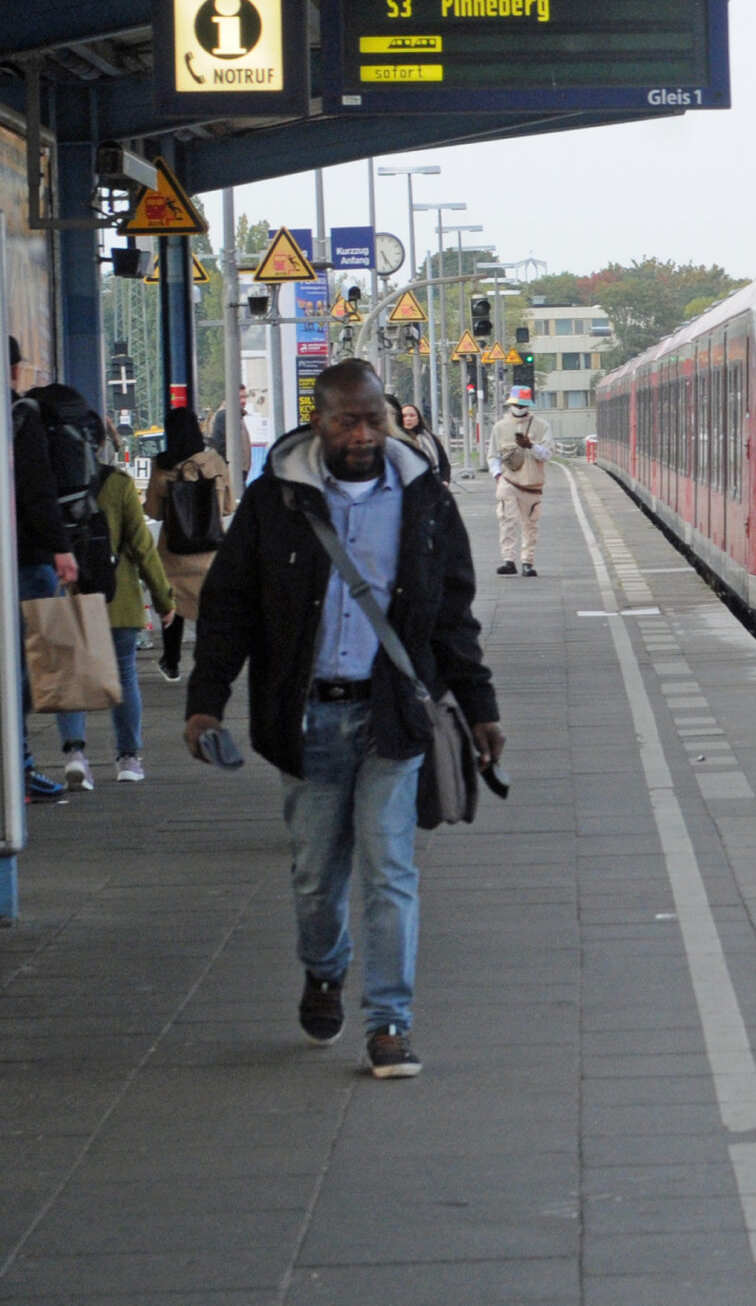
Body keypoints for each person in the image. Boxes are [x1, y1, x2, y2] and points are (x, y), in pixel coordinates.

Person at [185, 360, 504, 1079]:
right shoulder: (276, 501)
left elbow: (452, 615)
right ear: (319, 421)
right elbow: (230, 606)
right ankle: (324, 969)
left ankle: (389, 1022)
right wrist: (206, 700)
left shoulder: (426, 499)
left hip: (392, 715)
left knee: (390, 869)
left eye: (373, 420)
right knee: (314, 874)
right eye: (346, 421)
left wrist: (481, 708)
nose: (361, 435)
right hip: (307, 717)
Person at [83, 425, 174, 782]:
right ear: (103, 443)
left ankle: (75, 753)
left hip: (71, 598)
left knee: (69, 673)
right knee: (124, 674)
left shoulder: (51, 486)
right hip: (116, 596)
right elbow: (142, 547)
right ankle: (128, 758)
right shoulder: (118, 484)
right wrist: (163, 598)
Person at [9, 339, 77, 801]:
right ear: (14, 369)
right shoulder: (20, 416)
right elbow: (38, 489)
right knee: (24, 675)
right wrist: (61, 547)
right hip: (26, 560)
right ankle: (18, 770)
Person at [144, 405, 234, 683]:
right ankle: (207, 662)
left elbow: (154, 512)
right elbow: (228, 507)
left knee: (174, 604)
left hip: (174, 550)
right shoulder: (214, 463)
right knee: (207, 605)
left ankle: (171, 661)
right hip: (209, 552)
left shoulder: (162, 464)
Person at [488, 385, 549, 577]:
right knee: (506, 520)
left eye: (523, 404)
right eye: (516, 403)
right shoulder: (500, 427)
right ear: (510, 403)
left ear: (529, 405)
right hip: (508, 481)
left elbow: (547, 454)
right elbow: (492, 456)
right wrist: (498, 476)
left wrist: (531, 446)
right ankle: (508, 560)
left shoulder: (542, 426)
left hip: (532, 485)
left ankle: (527, 562)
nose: (519, 407)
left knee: (530, 524)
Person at [387, 396, 450, 485]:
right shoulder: (395, 440)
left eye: (412, 415)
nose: (408, 419)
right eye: (404, 416)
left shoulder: (430, 438)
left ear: (418, 419)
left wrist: (445, 481)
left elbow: (444, 463)